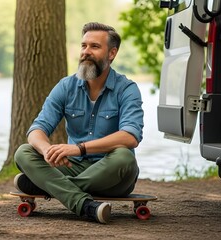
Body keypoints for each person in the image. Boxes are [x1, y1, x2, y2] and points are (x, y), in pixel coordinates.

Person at [14, 22, 144, 224]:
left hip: (112, 173)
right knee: (24, 152)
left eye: (94, 46)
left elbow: (130, 136)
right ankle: (85, 205)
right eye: (84, 46)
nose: (86, 52)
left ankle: (46, 185)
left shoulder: (127, 89)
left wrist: (79, 149)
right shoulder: (66, 86)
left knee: (124, 157)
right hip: (73, 167)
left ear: (112, 53)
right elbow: (36, 129)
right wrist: (47, 150)